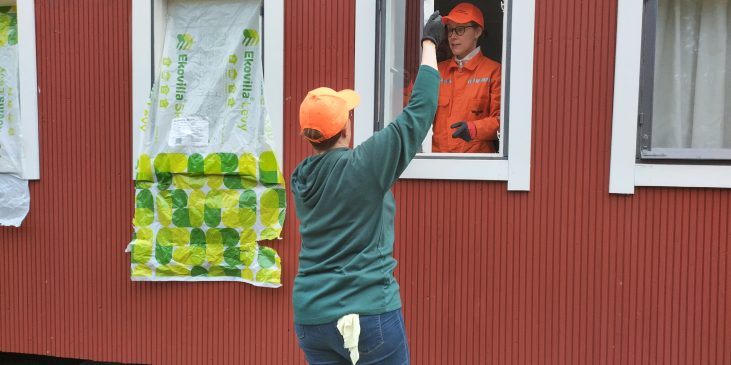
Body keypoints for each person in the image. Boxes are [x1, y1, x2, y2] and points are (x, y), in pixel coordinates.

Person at [290, 12, 445, 365]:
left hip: (312, 320)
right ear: (346, 126)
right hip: (365, 317)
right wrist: (429, 43)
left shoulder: (301, 179)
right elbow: (419, 112)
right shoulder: (364, 166)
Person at [432, 2, 502, 153]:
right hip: (437, 161)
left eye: (460, 29)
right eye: (450, 30)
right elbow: (415, 111)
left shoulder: (494, 71)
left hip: (476, 164)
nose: (453, 36)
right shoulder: (437, 70)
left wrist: (474, 129)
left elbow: (502, 121)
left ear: (477, 32)